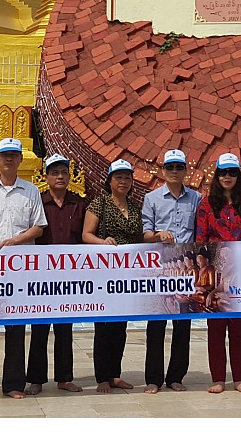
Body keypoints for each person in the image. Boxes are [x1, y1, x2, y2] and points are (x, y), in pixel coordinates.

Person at [0, 137, 47, 400]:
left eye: (14, 155)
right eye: (5, 155)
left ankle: (13, 383)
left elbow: (38, 226)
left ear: (20, 159)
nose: (9, 159)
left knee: (16, 327)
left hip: (21, 267)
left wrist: (15, 240)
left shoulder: (31, 191)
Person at [194, 152, 241, 395]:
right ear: (217, 176)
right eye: (223, 172)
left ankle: (239, 378)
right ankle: (218, 378)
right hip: (216, 273)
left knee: (239, 329)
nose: (227, 177)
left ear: (238, 176)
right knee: (216, 329)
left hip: (240, 273)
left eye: (232, 172)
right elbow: (200, 238)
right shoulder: (207, 205)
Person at [140, 148, 201, 394]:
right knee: (156, 323)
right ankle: (153, 379)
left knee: (182, 324)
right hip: (160, 267)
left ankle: (176, 375)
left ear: (186, 170)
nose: (174, 172)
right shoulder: (152, 198)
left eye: (179, 167)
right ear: (163, 171)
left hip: (186, 270)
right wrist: (158, 235)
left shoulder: (196, 198)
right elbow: (145, 234)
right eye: (170, 167)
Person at [26, 154, 86, 395]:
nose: (60, 177)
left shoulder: (79, 204)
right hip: (42, 274)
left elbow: (85, 237)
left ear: (69, 176)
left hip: (70, 275)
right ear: (46, 177)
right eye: (54, 173)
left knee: (65, 328)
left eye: (64, 173)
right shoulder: (38, 203)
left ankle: (64, 377)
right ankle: (36, 379)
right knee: (39, 328)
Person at [83, 158, 142, 394]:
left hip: (128, 273)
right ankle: (102, 377)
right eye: (119, 177)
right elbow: (86, 235)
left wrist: (158, 236)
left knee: (120, 326)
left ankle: (115, 374)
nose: (123, 181)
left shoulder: (135, 207)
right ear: (109, 181)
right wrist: (103, 241)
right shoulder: (100, 204)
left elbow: (139, 238)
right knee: (104, 326)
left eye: (127, 177)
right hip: (104, 271)